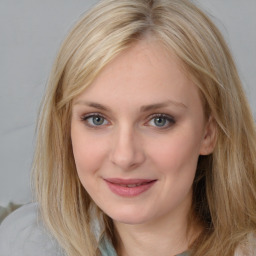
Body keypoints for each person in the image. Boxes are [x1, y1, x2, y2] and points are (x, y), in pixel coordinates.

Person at [0, 0, 256, 255]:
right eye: (96, 119)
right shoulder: (24, 242)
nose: (124, 157)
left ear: (208, 132)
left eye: (159, 120)